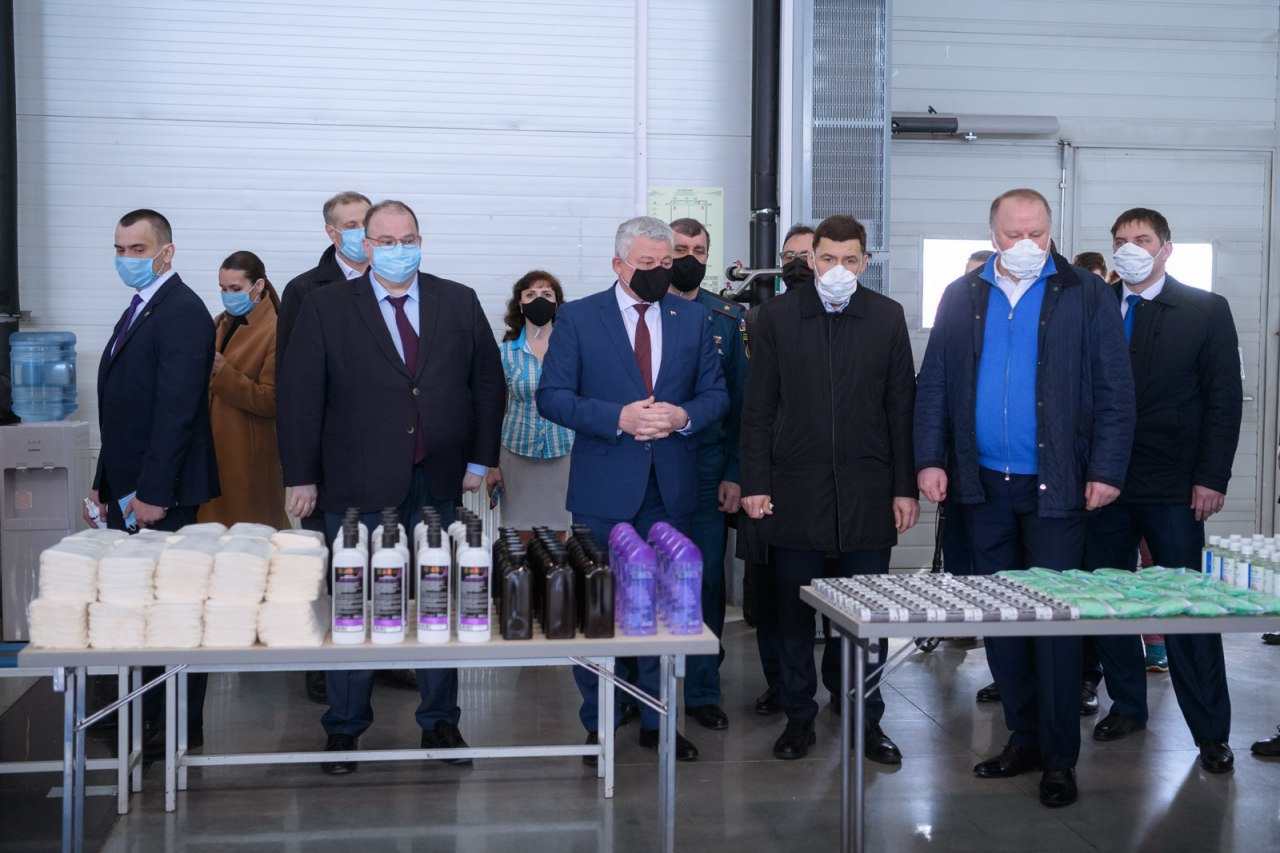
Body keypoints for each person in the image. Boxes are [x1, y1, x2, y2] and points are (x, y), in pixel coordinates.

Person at [915, 188, 1135, 808]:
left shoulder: (1086, 294)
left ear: (1051, 231)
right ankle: (1024, 738)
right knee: (1003, 622)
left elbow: (1116, 391)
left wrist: (1106, 469)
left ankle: (1060, 759)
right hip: (982, 486)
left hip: (1058, 486)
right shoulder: (963, 294)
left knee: (1054, 627)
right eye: (1014, 234)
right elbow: (935, 383)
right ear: (993, 235)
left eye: (1036, 233)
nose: (1026, 244)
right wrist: (930, 459)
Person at [277, 199, 504, 774]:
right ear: (365, 245)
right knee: (354, 608)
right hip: (355, 484)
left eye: (408, 239)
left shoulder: (458, 300)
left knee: (437, 604)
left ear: (420, 241)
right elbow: (300, 394)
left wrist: (481, 460)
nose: (398, 249)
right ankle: (345, 726)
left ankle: (441, 720)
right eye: (385, 240)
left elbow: (487, 384)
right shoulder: (327, 306)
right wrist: (300, 474)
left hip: (439, 482)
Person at [536, 215, 729, 765]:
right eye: (647, 263)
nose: (659, 272)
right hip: (603, 490)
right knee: (599, 611)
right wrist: (616, 417)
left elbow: (716, 396)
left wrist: (683, 416)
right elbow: (553, 397)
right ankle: (599, 722)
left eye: (666, 263)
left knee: (666, 612)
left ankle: (658, 721)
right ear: (619, 263)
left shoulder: (693, 319)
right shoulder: (579, 317)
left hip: (671, 490)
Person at [740, 214, 918, 763]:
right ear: (810, 259)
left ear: (865, 262)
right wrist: (755, 483)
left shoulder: (886, 316)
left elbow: (901, 409)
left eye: (849, 260)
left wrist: (904, 488)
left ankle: (867, 717)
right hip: (794, 490)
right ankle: (799, 717)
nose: (838, 268)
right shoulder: (776, 318)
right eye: (827, 258)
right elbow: (758, 409)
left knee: (865, 616)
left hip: (867, 492)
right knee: (794, 614)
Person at [1081, 207, 1241, 774]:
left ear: (1166, 248)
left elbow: (1224, 399)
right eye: (1121, 240)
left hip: (1174, 484)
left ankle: (1211, 732)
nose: (1130, 249)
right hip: (1103, 481)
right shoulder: (1093, 306)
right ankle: (1127, 704)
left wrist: (1212, 477)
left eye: (1142, 239)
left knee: (1187, 607)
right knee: (1108, 602)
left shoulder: (1205, 310)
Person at [84, 208, 219, 745]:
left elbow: (176, 412)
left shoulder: (182, 312)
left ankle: (179, 725)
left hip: (163, 493)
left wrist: (154, 494)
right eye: (120, 250)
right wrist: (102, 482)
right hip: (129, 486)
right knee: (140, 604)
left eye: (137, 250)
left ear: (167, 252)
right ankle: (143, 711)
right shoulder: (140, 307)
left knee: (173, 609)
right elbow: (122, 408)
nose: (126, 259)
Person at [275, 192, 377, 704]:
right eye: (351, 224)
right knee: (330, 568)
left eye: (366, 222)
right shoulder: (305, 290)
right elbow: (295, 386)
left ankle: (383, 660)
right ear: (332, 233)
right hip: (330, 459)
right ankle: (326, 666)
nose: (362, 231)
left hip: (386, 454)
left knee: (382, 564)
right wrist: (302, 471)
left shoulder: (400, 281)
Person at [665, 217, 746, 731]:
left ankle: (701, 690)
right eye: (680, 249)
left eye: (698, 250)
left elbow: (743, 404)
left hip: (706, 469)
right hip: (650, 466)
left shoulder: (728, 318)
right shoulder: (643, 309)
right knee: (643, 579)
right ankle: (634, 688)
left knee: (706, 581)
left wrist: (735, 471)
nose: (689, 258)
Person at [743, 223, 814, 718]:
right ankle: (781, 686)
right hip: (769, 477)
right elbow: (751, 404)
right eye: (788, 256)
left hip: (828, 484)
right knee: (770, 593)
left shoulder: (860, 317)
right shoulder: (759, 318)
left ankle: (843, 688)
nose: (797, 264)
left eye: (807, 255)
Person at [198, 251, 289, 528]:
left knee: (251, 535)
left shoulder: (277, 328)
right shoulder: (219, 322)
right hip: (213, 450)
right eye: (223, 289)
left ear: (258, 286)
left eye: (235, 289)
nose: (228, 296)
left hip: (249, 456)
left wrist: (223, 372)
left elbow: (271, 399)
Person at [485, 271, 574, 536]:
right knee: (518, 538)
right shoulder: (504, 353)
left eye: (546, 294)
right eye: (531, 294)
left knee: (557, 539)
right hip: (516, 455)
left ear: (557, 304)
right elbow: (495, 410)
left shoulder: (572, 349)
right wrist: (491, 464)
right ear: (521, 304)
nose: (539, 300)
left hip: (564, 455)